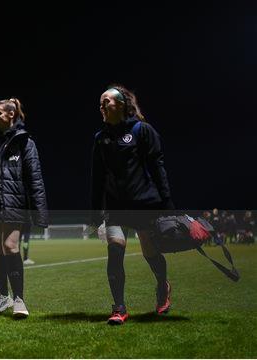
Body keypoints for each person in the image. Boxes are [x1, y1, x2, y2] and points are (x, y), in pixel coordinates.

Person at [91, 85, 175, 325]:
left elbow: (157, 168)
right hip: (115, 208)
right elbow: (96, 179)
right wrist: (95, 212)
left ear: (122, 105)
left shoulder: (142, 131)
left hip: (143, 204)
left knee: (150, 252)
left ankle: (162, 287)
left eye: (107, 101)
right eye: (100, 103)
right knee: (115, 251)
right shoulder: (100, 138)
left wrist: (167, 204)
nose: (102, 106)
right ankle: (119, 307)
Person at [0, 98, 48, 318]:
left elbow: (35, 178)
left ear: (11, 115)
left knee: (10, 246)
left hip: (14, 203)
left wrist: (39, 213)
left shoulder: (24, 142)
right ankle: (3, 296)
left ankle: (19, 299)